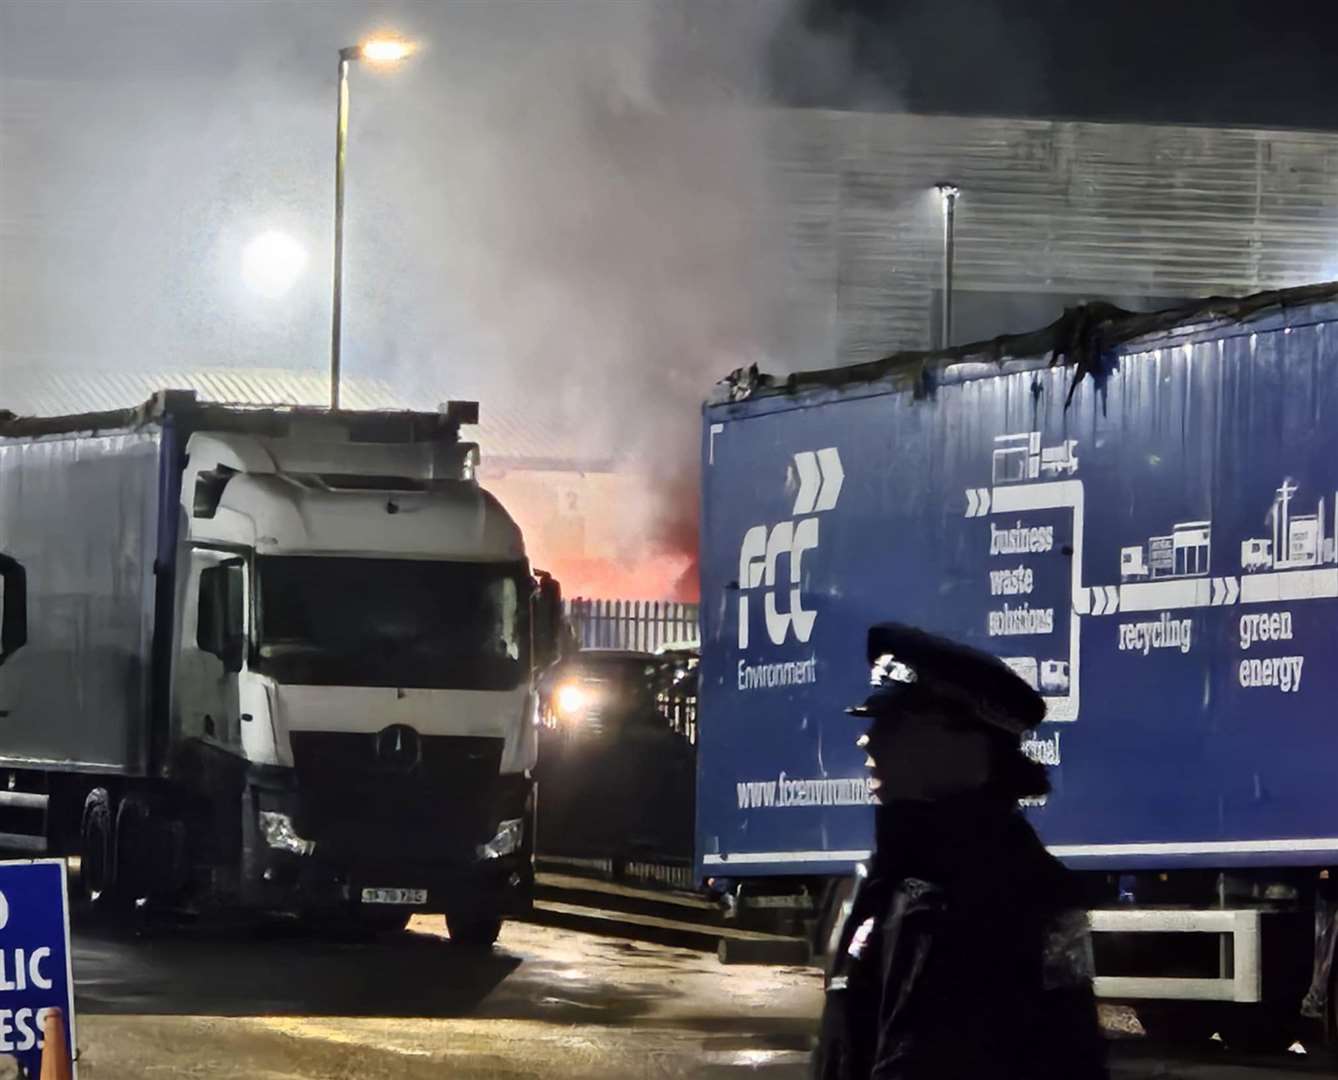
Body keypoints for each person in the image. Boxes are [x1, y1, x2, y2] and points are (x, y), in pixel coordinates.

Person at [813, 623, 1108, 1080]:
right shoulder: (886, 876)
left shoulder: (1013, 891)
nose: (868, 740)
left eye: (894, 725)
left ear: (968, 747)